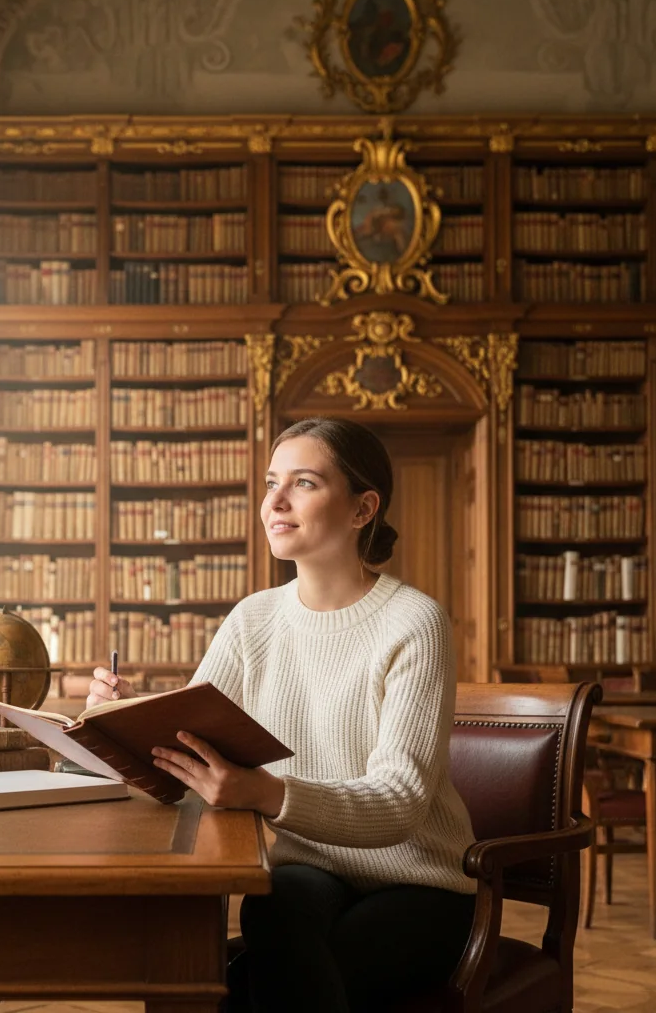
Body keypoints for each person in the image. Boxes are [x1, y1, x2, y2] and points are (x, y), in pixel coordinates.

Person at [87, 416, 477, 1012]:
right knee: (272, 910)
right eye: (271, 482)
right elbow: (183, 763)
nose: (274, 501)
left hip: (420, 884)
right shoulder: (253, 619)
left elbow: (400, 802)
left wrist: (265, 793)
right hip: (308, 873)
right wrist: (121, 721)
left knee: (235, 983)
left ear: (361, 509)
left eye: (304, 483)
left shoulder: (414, 622)